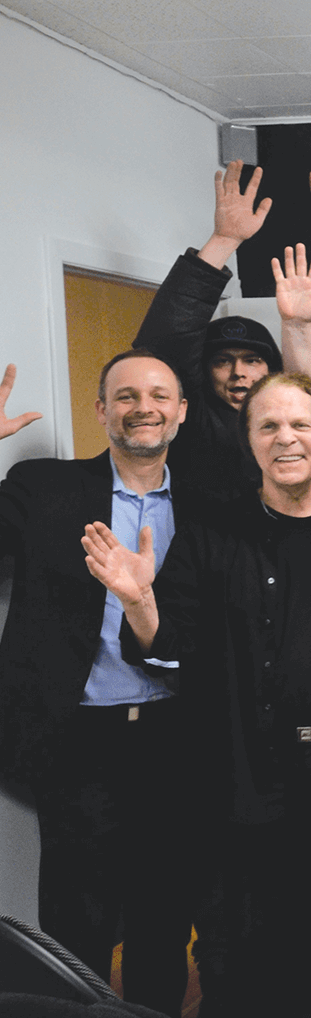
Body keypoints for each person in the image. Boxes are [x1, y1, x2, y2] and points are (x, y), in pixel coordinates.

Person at [81, 372, 311, 1018]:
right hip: (246, 786)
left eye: (300, 425)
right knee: (245, 959)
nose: (285, 438)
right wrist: (141, 604)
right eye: (268, 426)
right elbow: (174, 650)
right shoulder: (212, 531)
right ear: (249, 441)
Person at [0, 355, 192, 1016]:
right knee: (75, 926)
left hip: (176, 738)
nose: (144, 407)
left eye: (159, 395)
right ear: (101, 411)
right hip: (77, 741)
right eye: (126, 395)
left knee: (164, 921)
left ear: (182, 411)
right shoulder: (41, 488)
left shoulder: (213, 503)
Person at [134, 160, 311, 507]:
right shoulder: (190, 419)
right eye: (223, 361)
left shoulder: (305, 407)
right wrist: (223, 240)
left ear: (273, 369)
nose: (238, 373)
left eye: (253, 360)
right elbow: (168, 338)